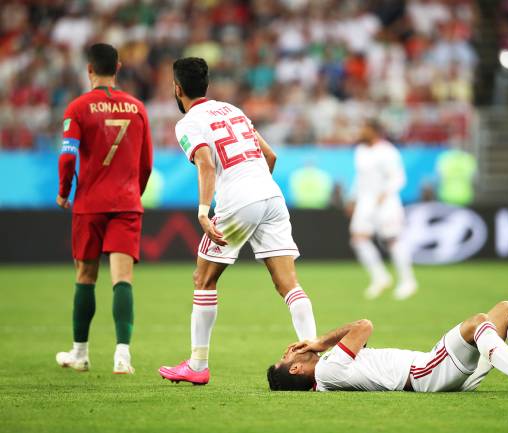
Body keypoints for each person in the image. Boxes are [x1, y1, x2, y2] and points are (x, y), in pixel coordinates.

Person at [158, 57, 317, 385]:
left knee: (203, 279)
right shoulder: (233, 110)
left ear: (177, 88)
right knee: (288, 285)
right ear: (207, 84)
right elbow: (270, 156)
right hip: (271, 195)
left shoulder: (188, 122)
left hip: (238, 199)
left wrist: (204, 210)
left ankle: (198, 365)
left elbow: (205, 164)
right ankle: (315, 361)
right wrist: (257, 196)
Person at [55, 43, 153, 374]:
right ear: (119, 67)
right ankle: (122, 355)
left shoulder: (77, 109)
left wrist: (64, 191)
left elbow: (68, 155)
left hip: (90, 204)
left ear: (89, 70)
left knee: (85, 276)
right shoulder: (137, 107)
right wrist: (131, 194)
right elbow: (147, 164)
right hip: (126, 203)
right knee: (122, 279)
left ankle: (80, 354)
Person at [267, 300, 508, 395]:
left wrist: (321, 344)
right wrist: (319, 342)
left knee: (506, 311)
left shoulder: (330, 372)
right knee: (475, 322)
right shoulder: (326, 369)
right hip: (425, 374)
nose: (291, 349)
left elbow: (361, 338)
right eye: (287, 356)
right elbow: (363, 327)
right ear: (296, 369)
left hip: (438, 375)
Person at [348, 120, 417, 300]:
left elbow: (398, 177)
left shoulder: (388, 151)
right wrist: (353, 197)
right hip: (365, 201)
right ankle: (380, 277)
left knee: (392, 239)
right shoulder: (360, 151)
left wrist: (384, 193)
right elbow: (361, 178)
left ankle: (408, 281)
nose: (361, 132)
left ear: (375, 131)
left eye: (365, 128)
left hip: (386, 202)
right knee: (358, 239)